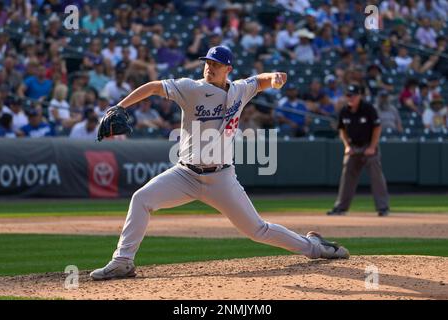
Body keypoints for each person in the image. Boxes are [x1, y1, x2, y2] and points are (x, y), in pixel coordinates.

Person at [90, 46, 349, 280]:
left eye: (215, 64)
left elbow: (259, 81)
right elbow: (155, 86)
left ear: (228, 69)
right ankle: (123, 261)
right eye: (207, 62)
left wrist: (275, 78)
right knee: (141, 199)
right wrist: (119, 107)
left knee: (257, 230)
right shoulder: (191, 88)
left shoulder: (238, 89)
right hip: (185, 175)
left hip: (222, 178)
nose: (209, 67)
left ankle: (315, 247)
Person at [327, 84, 390, 217]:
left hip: (369, 145)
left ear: (359, 96)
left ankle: (383, 207)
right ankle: (340, 208)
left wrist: (372, 147)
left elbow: (377, 128)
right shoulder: (344, 110)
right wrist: (347, 146)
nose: (350, 98)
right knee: (347, 172)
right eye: (348, 95)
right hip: (354, 147)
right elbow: (342, 129)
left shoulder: (368, 108)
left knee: (375, 173)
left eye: (353, 95)